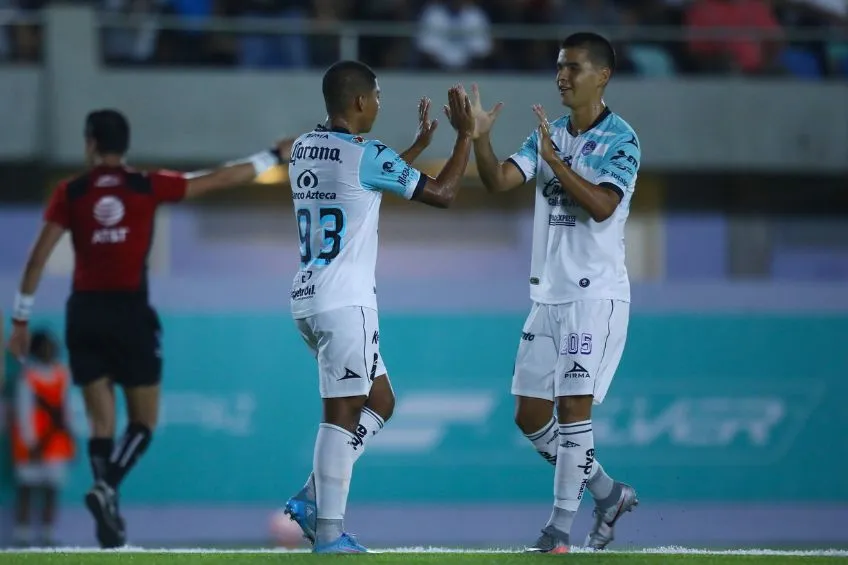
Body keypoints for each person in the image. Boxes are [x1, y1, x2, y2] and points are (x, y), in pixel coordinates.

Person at [6, 109, 294, 549]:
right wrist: (272, 155)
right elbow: (217, 179)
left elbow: (36, 259)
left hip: (83, 314)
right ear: (125, 146)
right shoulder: (146, 185)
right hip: (129, 314)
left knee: (102, 425)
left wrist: (21, 320)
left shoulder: (71, 192)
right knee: (143, 421)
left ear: (89, 144)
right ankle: (107, 491)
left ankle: (110, 509)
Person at [282, 60, 475, 554]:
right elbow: (444, 193)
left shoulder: (305, 147)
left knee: (380, 400)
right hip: (346, 301)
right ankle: (327, 533)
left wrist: (413, 150)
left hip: (308, 298)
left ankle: (311, 495)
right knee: (342, 413)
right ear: (360, 102)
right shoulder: (367, 155)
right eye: (378, 97)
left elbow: (361, 185)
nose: (380, 104)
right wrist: (465, 138)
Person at [469, 32, 641, 553]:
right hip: (549, 296)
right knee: (528, 413)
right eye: (559, 67)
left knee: (572, 409)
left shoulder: (622, 140)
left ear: (602, 75)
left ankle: (558, 531)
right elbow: (500, 180)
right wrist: (479, 138)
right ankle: (607, 493)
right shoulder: (548, 132)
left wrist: (558, 162)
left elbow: (604, 206)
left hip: (596, 297)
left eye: (573, 67)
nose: (562, 76)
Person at [10, 329, 74, 547]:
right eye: (44, 346)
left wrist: (70, 437)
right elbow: (23, 411)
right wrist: (31, 443)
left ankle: (48, 532)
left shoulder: (62, 374)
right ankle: (23, 533)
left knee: (51, 489)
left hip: (56, 442)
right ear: (36, 350)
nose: (49, 351)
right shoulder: (27, 376)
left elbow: (67, 408)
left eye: (51, 346)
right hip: (32, 442)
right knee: (26, 489)